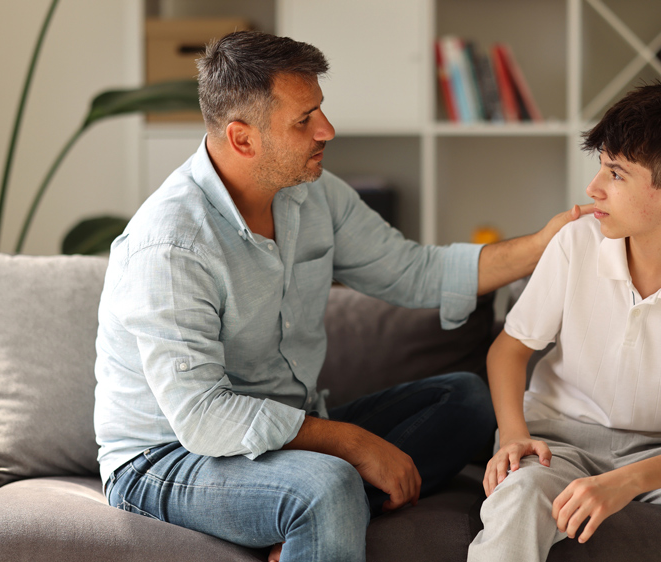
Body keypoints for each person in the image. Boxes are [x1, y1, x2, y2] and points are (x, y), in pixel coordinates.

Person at [94, 30, 589, 562]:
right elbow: (203, 417)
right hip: (167, 458)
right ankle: (322, 506)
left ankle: (310, 520)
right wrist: (353, 443)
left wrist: (543, 244)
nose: (326, 130)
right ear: (242, 138)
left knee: (467, 399)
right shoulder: (171, 244)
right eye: (303, 120)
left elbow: (412, 270)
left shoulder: (313, 193)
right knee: (326, 483)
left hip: (286, 434)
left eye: (320, 111)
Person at [468, 82, 661, 562]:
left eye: (615, 173)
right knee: (517, 493)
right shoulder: (575, 244)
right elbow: (508, 350)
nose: (594, 188)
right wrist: (513, 436)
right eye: (600, 166)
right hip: (560, 443)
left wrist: (624, 482)